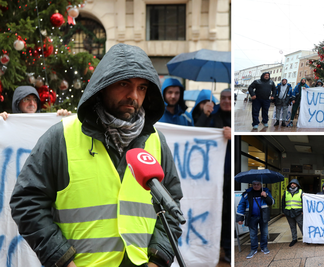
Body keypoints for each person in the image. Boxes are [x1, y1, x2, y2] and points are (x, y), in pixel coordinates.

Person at [10, 44, 183, 267]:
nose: (133, 95)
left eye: (142, 88)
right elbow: (27, 202)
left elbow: (172, 207)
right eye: (124, 84)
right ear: (102, 86)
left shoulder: (156, 140)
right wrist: (61, 259)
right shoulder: (60, 137)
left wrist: (158, 260)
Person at [196, 88, 231, 262]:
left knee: (227, 213)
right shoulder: (211, 113)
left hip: (227, 172)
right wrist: (204, 115)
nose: (226, 101)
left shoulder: (237, 119)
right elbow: (196, 135)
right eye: (223, 98)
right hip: (210, 173)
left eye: (230, 98)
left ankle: (226, 248)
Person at [236, 180, 274, 259]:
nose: (256, 186)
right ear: (252, 185)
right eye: (254, 184)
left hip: (263, 216)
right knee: (253, 235)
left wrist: (265, 196)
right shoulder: (247, 193)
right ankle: (253, 249)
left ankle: (264, 247)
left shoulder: (266, 192)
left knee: (264, 233)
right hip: (251, 217)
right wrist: (240, 218)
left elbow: (271, 202)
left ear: (261, 185)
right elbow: (241, 205)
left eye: (258, 184)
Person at [0, 85, 71, 120]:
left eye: (34, 100)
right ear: (17, 103)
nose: (32, 103)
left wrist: (62, 118)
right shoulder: (8, 122)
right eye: (27, 99)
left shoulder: (45, 122)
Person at [282, 179, 303, 247]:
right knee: (292, 226)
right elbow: (283, 203)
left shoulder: (301, 192)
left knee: (301, 226)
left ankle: (305, 238)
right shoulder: (286, 192)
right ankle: (294, 239)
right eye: (291, 183)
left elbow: (303, 202)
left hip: (298, 212)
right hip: (289, 213)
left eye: (294, 183)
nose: (292, 184)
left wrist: (303, 211)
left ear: (297, 184)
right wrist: (284, 211)